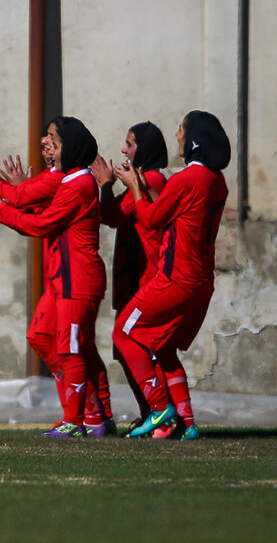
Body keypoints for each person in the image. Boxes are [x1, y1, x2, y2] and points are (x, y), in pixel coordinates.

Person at [0, 117, 107, 437]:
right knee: (42, 338)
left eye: (54, 140)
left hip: (76, 281)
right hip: (62, 280)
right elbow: (27, 199)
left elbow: (40, 224)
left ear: (71, 147)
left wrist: (0, 210)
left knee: (73, 350)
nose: (46, 144)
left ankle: (77, 420)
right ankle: (92, 415)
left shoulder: (78, 183)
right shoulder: (64, 179)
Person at [111, 111, 230, 440]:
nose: (177, 135)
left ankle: (161, 409)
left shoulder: (187, 179)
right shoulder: (216, 180)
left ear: (194, 140)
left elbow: (149, 220)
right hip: (201, 282)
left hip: (175, 278)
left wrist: (135, 187)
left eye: (181, 129)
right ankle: (187, 423)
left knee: (123, 334)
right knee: (162, 348)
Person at [90, 122, 169, 434]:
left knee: (138, 347)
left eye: (130, 144)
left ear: (145, 149)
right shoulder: (142, 178)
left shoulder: (151, 179)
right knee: (126, 348)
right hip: (134, 277)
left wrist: (106, 185)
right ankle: (152, 412)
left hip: (146, 278)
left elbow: (113, 216)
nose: (123, 149)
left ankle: (162, 414)